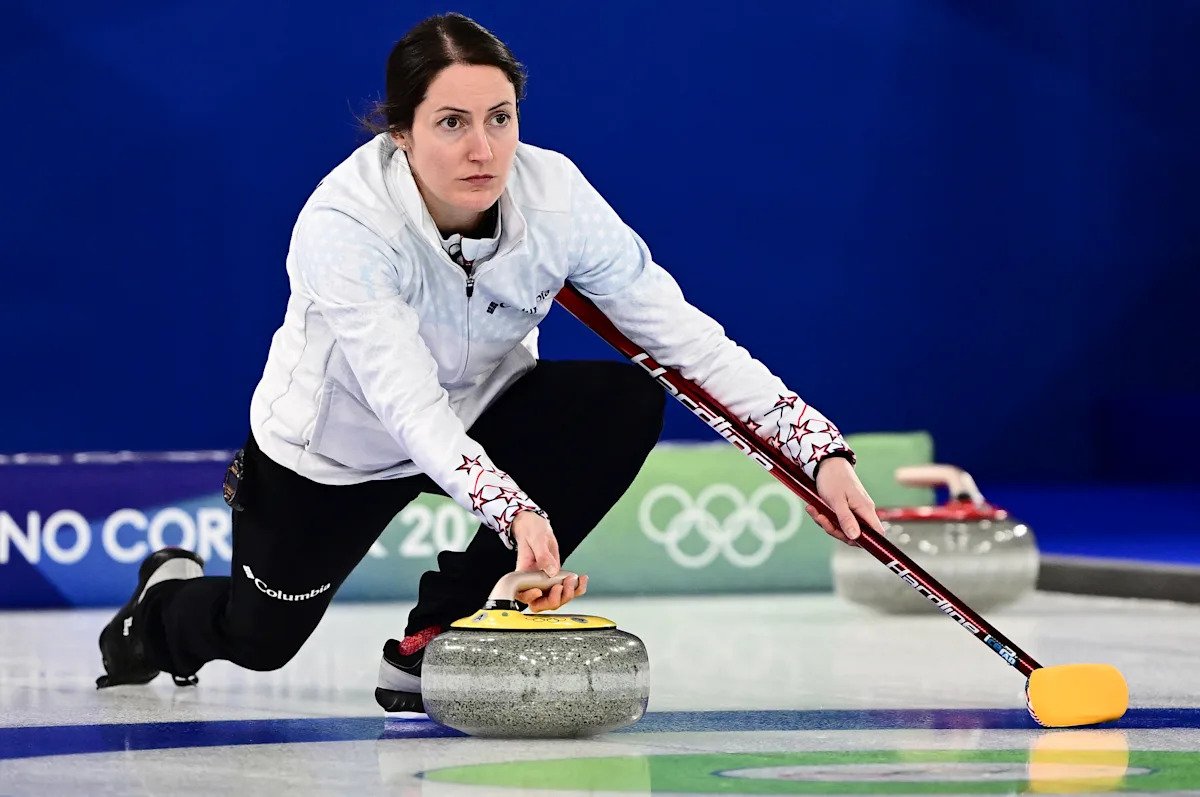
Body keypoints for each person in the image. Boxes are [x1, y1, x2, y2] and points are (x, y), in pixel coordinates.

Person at [96, 12, 885, 712]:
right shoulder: (345, 226)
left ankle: (436, 640)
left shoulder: (556, 197)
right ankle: (156, 615)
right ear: (399, 132)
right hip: (337, 453)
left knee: (623, 398)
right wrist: (515, 511)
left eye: (500, 118)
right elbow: (407, 403)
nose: (483, 148)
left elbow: (682, 337)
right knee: (258, 635)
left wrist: (817, 451)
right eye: (451, 123)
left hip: (484, 410)